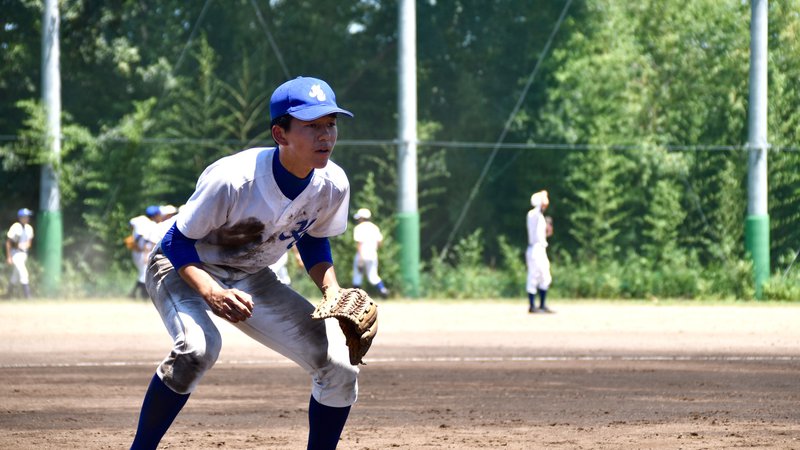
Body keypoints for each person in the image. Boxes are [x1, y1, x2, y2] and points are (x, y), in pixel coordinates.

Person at [130, 76, 359, 450]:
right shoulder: (234, 179)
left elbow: (316, 240)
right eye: (312, 126)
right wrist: (212, 292)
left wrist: (331, 290)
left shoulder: (332, 184)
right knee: (197, 350)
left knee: (339, 368)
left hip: (252, 275)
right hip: (183, 267)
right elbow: (175, 241)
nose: (326, 136)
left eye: (331, 124)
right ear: (280, 134)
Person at [351, 208, 389, 298]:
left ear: (362, 218)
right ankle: (383, 290)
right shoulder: (374, 227)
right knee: (373, 276)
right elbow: (380, 242)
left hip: (362, 254)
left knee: (357, 276)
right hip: (372, 254)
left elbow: (359, 244)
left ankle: (356, 297)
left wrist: (360, 259)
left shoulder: (358, 227)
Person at [526, 190, 553, 313]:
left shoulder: (540, 217)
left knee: (545, 276)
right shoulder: (533, 214)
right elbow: (544, 202)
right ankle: (532, 305)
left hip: (541, 249)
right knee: (533, 276)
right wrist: (543, 194)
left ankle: (542, 305)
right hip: (535, 249)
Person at [128, 206, 161, 300]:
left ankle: (135, 294)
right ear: (155, 215)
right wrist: (146, 254)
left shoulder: (140, 219)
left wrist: (133, 234)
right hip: (143, 252)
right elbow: (147, 241)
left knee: (143, 273)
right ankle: (139, 295)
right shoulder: (152, 225)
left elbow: (130, 223)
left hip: (136, 250)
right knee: (144, 273)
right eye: (159, 215)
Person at [5, 208, 35, 299]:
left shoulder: (29, 228)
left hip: (23, 254)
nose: (28, 218)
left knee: (15, 275)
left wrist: (22, 245)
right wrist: (9, 257)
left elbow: (29, 243)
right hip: (15, 254)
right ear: (21, 217)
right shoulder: (15, 227)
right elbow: (8, 242)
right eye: (26, 216)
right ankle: (28, 296)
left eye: (28, 216)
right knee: (23, 273)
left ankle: (8, 295)